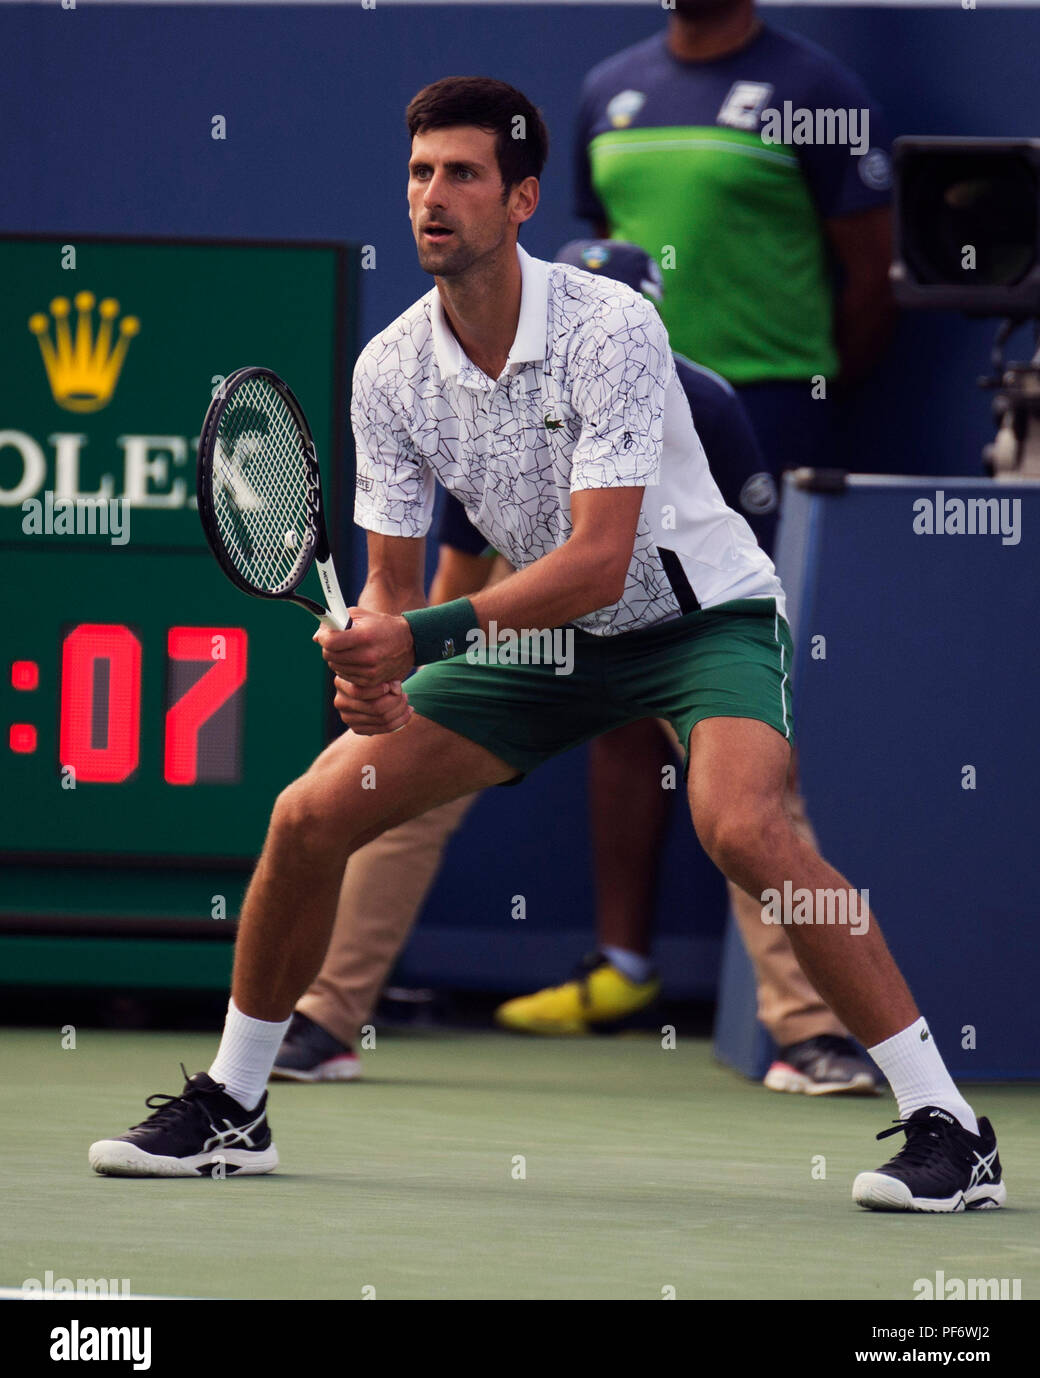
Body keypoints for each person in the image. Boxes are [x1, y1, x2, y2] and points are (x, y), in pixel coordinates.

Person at [89, 77, 1004, 1214]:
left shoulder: (610, 327)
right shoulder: (390, 369)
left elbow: (598, 562)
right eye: (420, 173)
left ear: (520, 198)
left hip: (696, 619)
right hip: (542, 645)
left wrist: (414, 635)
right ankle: (233, 1105)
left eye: (463, 175)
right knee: (308, 813)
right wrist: (383, 674)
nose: (434, 197)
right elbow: (389, 580)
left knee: (742, 825)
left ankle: (946, 1127)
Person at [275, 242, 882, 1099]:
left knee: (755, 811)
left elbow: (741, 554)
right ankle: (324, 1017)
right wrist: (406, 673)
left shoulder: (703, 402)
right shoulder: (472, 394)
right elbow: (450, 583)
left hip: (683, 611)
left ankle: (811, 1033)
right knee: (387, 772)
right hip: (525, 602)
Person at [574, 0, 896, 551]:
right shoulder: (607, 87)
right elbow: (611, 257)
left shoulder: (816, 90)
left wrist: (805, 390)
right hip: (632, 404)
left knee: (763, 612)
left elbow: (875, 274)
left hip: (771, 410)